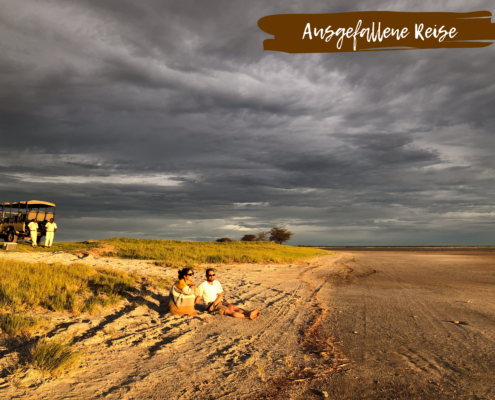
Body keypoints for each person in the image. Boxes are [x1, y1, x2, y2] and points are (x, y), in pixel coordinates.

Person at [196, 269, 260, 320]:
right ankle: (248, 316)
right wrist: (191, 306)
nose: (212, 276)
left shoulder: (216, 283)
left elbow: (220, 295)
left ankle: (249, 312)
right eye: (210, 275)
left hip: (219, 301)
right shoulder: (202, 285)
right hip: (210, 305)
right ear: (206, 276)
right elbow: (198, 297)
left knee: (233, 307)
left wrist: (215, 303)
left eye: (213, 275)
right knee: (230, 311)